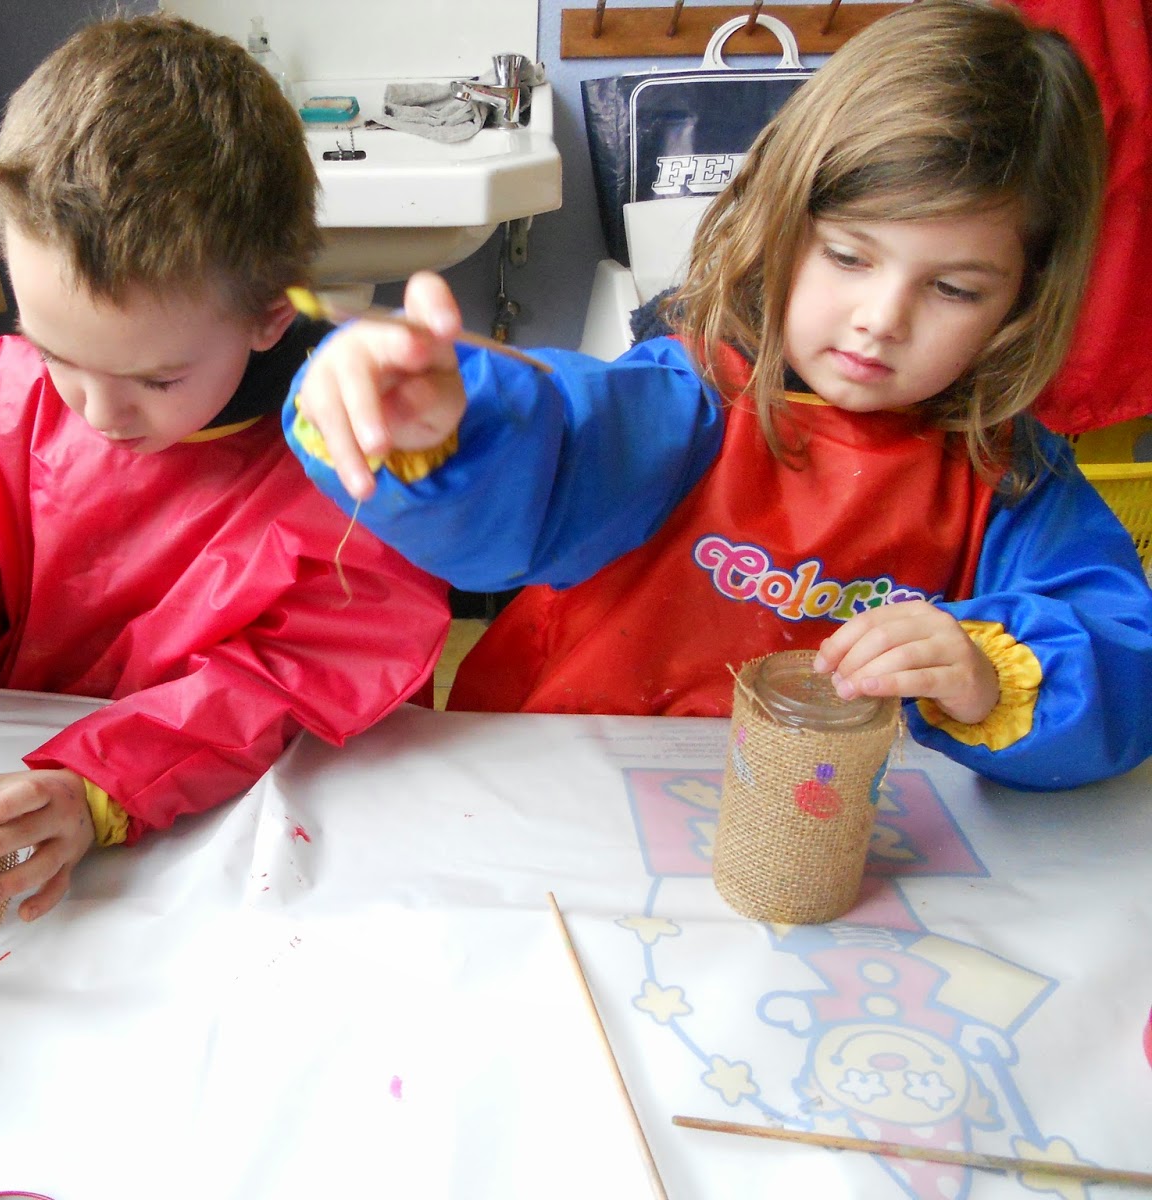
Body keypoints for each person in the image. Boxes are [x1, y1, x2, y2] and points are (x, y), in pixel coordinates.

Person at [282, 0, 1152, 791]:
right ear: (779, 224)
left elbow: (1123, 658)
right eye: (848, 256)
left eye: (954, 289)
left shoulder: (1011, 479)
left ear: (1024, 301)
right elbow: (561, 440)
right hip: (574, 790)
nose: (882, 320)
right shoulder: (689, 400)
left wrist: (990, 672)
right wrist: (448, 424)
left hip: (820, 826)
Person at [0, 15, 451, 920]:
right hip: (20, 794)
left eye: (156, 379)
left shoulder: (354, 460)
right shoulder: (5, 389)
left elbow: (292, 684)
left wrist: (101, 782)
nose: (97, 414)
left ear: (269, 315)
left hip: (242, 826)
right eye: (54, 353)